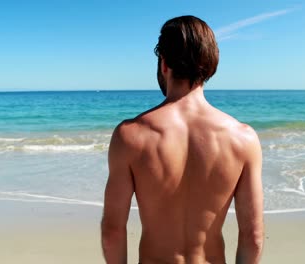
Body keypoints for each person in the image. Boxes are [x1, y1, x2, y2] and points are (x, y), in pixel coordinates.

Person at [101, 15, 263, 264]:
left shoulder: (131, 135)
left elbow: (112, 231)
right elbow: (252, 236)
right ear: (210, 64)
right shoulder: (243, 138)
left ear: (164, 64)